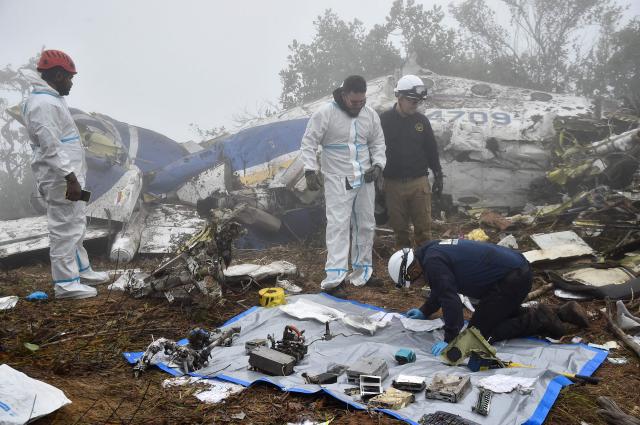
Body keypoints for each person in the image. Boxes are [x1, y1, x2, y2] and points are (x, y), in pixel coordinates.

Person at [388, 239, 590, 355]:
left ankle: (538, 319)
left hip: (511, 280)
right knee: (496, 312)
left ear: (411, 269)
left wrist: (451, 340)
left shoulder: (432, 262)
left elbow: (451, 300)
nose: (417, 282)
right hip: (513, 272)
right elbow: (442, 289)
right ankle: (560, 312)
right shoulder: (430, 252)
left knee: (476, 337)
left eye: (413, 279)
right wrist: (425, 311)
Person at [22, 49, 109, 299]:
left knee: (76, 224)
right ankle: (66, 285)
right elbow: (50, 147)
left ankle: (82, 270)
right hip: (61, 179)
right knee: (63, 228)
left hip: (71, 176)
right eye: (70, 78)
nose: (71, 83)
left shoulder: (52, 98)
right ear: (58, 75)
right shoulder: (43, 104)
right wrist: (69, 178)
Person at [300, 75, 386, 291]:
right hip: (338, 179)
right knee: (338, 227)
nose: (358, 106)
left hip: (365, 178)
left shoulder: (370, 115)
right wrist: (310, 169)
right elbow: (308, 142)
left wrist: (377, 166)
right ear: (344, 94)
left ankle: (362, 273)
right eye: (353, 102)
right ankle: (334, 280)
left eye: (362, 101)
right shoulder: (326, 113)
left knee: (366, 225)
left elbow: (378, 142)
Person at [379, 75, 443, 248]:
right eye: (412, 100)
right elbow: (374, 150)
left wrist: (438, 175)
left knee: (424, 230)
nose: (415, 104)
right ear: (399, 97)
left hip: (418, 183)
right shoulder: (383, 121)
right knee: (400, 232)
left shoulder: (422, 121)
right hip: (392, 184)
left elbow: (431, 150)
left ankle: (427, 266)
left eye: (418, 101)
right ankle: (406, 269)